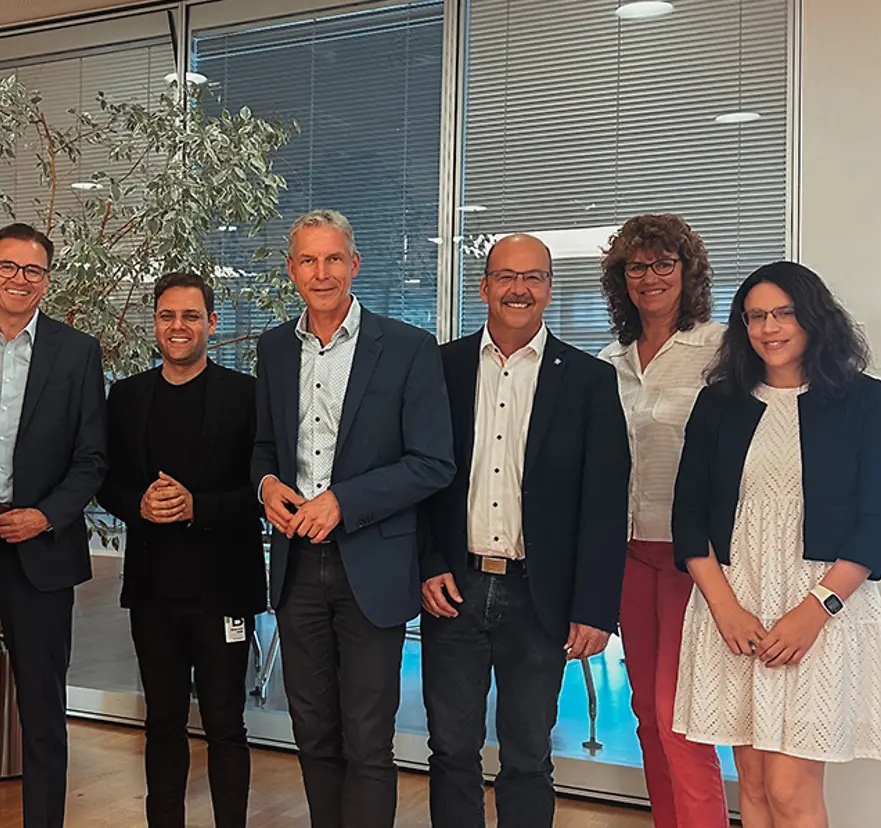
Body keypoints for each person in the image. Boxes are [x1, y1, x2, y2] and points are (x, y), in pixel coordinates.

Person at [671, 261, 881, 827]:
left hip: (821, 611)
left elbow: (879, 522)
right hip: (734, 609)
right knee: (752, 785)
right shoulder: (719, 402)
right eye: (754, 317)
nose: (768, 328)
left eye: (783, 313)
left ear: (813, 318)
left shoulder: (863, 399)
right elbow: (689, 516)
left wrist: (813, 611)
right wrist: (725, 609)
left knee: (789, 790)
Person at [251, 209, 455, 828]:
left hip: (372, 566)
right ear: (292, 271)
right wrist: (266, 486)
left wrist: (345, 500)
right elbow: (264, 446)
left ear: (355, 264)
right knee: (312, 733)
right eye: (309, 260)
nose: (322, 272)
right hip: (296, 568)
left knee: (367, 740)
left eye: (333, 258)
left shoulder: (408, 348)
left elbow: (433, 462)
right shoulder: (274, 348)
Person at [419, 233, 630, 828]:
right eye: (507, 277)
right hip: (453, 589)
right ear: (484, 287)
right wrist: (428, 563)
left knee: (529, 754)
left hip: (539, 598)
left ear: (549, 289)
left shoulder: (589, 380)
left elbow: (605, 503)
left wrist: (595, 608)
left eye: (533, 277)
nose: (519, 289)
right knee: (450, 750)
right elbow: (420, 479)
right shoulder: (441, 368)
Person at [0, 221, 107, 828]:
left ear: (46, 281)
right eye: (7, 266)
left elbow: (92, 458)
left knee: (43, 708)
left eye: (33, 270)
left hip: (41, 548)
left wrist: (45, 516)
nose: (19, 279)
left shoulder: (77, 352)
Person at [96, 272, 265, 828]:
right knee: (162, 723)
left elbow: (263, 491)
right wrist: (138, 504)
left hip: (224, 591)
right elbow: (106, 481)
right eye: (168, 315)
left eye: (191, 316)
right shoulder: (126, 396)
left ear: (211, 323)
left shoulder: (246, 396)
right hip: (153, 592)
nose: (178, 326)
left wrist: (199, 507)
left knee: (226, 724)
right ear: (154, 323)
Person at [596, 214, 728, 828]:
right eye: (636, 267)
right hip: (627, 555)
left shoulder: (721, 349)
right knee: (648, 717)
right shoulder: (609, 361)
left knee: (683, 720)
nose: (649, 277)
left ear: (687, 271)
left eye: (662, 264)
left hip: (692, 558)